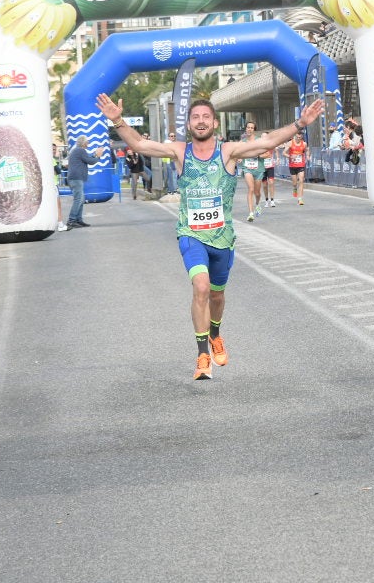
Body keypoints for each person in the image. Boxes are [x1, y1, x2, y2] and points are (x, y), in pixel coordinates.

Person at [97, 93, 325, 381]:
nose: (201, 121)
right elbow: (141, 144)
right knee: (201, 287)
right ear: (189, 124)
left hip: (223, 238)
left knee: (217, 294)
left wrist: (300, 124)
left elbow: (266, 143)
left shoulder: (228, 151)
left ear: (214, 122)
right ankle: (202, 354)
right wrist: (117, 120)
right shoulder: (180, 151)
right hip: (191, 234)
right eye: (195, 117)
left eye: (206, 117)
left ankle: (215, 333)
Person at [65, 135, 96, 229]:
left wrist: (94, 156)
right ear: (83, 142)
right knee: (78, 199)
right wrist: (98, 156)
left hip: (74, 178)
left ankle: (78, 219)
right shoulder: (80, 150)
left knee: (81, 199)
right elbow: (90, 161)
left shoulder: (77, 150)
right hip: (76, 178)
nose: (88, 143)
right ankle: (71, 220)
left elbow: (88, 159)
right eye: (87, 141)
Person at [238, 122, 264, 220]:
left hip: (258, 169)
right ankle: (251, 213)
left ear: (254, 130)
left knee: (257, 193)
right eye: (248, 127)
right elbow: (236, 153)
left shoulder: (259, 141)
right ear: (246, 129)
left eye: (252, 128)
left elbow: (267, 154)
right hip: (247, 168)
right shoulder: (242, 142)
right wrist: (239, 157)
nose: (249, 129)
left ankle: (257, 204)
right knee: (251, 189)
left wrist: (258, 155)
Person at [286, 127, 309, 204]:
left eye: (300, 137)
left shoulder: (304, 144)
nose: (299, 138)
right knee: (295, 183)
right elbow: (284, 153)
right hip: (292, 165)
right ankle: (295, 188)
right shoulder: (290, 143)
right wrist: (290, 156)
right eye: (297, 136)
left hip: (301, 165)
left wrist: (308, 156)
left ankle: (300, 199)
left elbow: (307, 150)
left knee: (301, 180)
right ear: (295, 135)